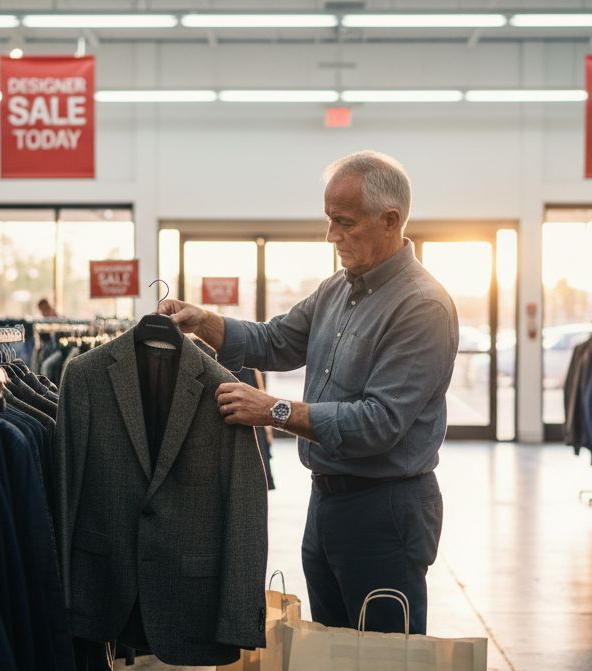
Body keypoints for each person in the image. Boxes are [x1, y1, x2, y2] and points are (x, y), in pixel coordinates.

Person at [159, 150, 459, 634]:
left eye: (344, 222)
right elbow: (276, 340)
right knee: (333, 657)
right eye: (329, 219)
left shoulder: (423, 307)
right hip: (327, 502)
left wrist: (273, 410)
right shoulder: (337, 289)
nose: (331, 235)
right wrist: (205, 322)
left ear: (390, 220)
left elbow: (379, 422)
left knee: (385, 664)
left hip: (386, 510)